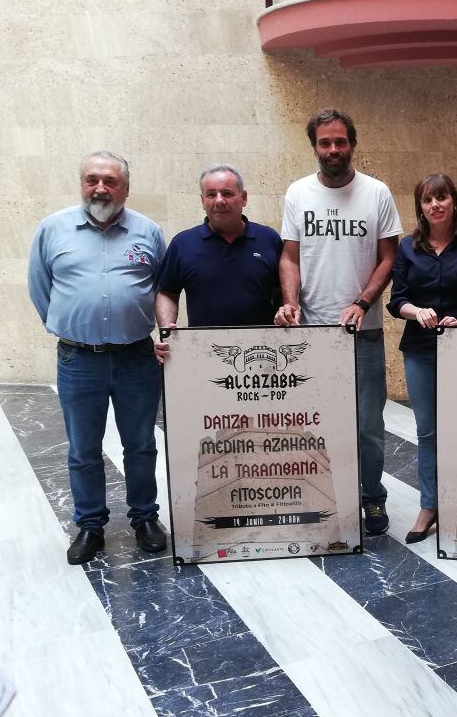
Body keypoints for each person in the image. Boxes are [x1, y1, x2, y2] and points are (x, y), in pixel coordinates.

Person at [28, 151, 168, 565]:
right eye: (92, 180)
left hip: (136, 359)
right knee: (83, 448)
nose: (100, 188)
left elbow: (162, 288)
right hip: (79, 360)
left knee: (140, 445)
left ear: (126, 187)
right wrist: (71, 324)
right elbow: (40, 288)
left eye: (110, 181)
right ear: (82, 184)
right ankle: (90, 525)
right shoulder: (52, 229)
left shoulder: (148, 231)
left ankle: (145, 518)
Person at [274, 109, 403, 536]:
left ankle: (372, 497)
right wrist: (290, 302)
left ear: (352, 144)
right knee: (316, 420)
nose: (333, 149)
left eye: (340, 141)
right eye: (325, 142)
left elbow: (389, 258)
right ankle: (322, 496)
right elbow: (290, 256)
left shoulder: (377, 192)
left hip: (363, 332)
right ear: (314, 146)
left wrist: (362, 302)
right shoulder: (298, 193)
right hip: (313, 333)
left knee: (368, 425)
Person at [387, 174, 457, 543]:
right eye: (427, 199)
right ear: (420, 207)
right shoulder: (407, 248)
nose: (435, 205)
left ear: (454, 200)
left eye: (442, 197)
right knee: (428, 431)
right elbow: (396, 300)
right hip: (420, 351)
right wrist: (417, 312)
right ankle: (430, 505)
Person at [155, 165, 282, 338]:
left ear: (243, 198)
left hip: (262, 347)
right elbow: (167, 292)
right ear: (202, 201)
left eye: (227, 193)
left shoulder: (269, 239)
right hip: (203, 348)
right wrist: (166, 329)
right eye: (211, 194)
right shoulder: (182, 243)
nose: (219, 201)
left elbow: (282, 291)